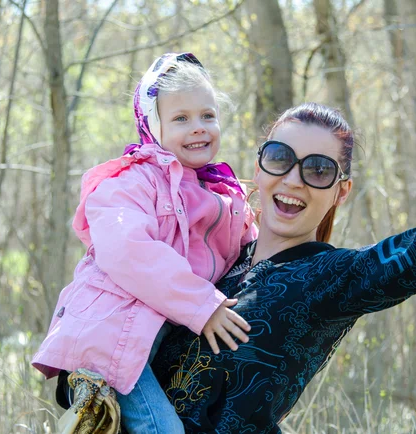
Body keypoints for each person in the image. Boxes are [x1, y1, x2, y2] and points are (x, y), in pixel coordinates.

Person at [150, 55, 416, 433]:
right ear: (259, 167)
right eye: (279, 157)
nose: (294, 179)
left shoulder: (332, 278)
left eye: (317, 169)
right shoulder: (214, 258)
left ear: (341, 191)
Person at [32, 52, 257, 433]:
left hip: (155, 335)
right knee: (162, 428)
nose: (199, 127)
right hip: (109, 337)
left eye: (207, 115)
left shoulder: (222, 194)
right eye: (181, 119)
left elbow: (246, 251)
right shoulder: (131, 182)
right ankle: (90, 391)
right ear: (153, 126)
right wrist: (203, 305)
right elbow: (128, 251)